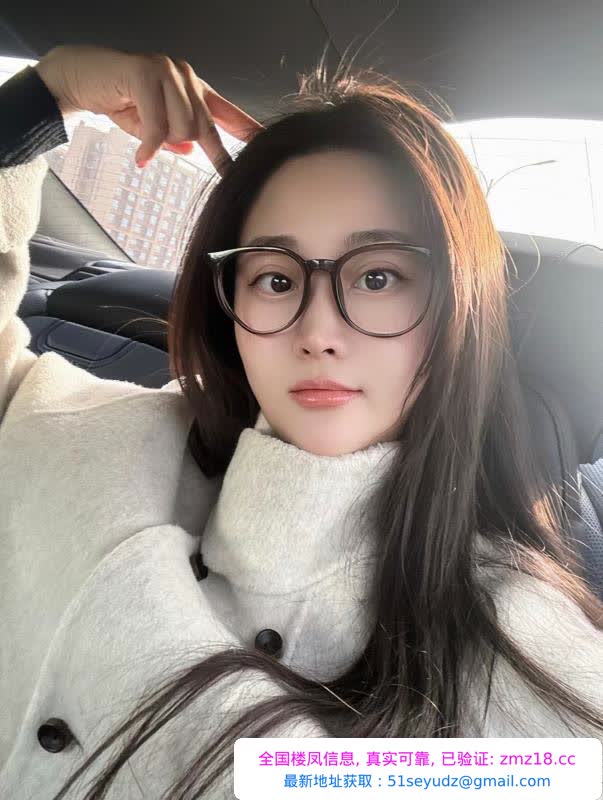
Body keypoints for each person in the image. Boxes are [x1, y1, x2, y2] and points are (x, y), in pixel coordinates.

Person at [0, 42, 601, 800]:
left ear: (457, 310)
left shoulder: (507, 632)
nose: (318, 331)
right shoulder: (90, 437)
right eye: (277, 279)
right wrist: (43, 96)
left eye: (378, 276)